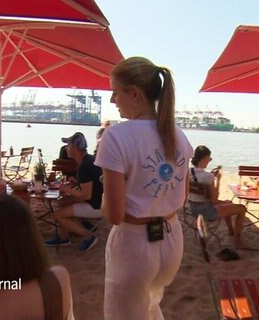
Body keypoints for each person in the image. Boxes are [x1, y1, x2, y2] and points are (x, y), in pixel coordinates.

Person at [95, 57, 193, 320]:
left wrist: (107, 197)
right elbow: (182, 197)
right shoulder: (178, 135)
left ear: (134, 94)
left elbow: (114, 214)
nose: (113, 100)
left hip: (134, 243)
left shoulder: (116, 136)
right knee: (151, 306)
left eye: (115, 91)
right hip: (171, 240)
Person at [45, 132, 103, 251]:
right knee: (62, 203)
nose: (66, 148)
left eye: (68, 145)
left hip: (96, 206)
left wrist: (67, 189)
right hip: (100, 201)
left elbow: (86, 195)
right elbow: (92, 185)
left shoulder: (84, 166)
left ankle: (89, 236)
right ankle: (63, 236)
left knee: (57, 215)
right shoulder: (88, 160)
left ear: (75, 148)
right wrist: (76, 182)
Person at [189, 145, 246, 248]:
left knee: (228, 202)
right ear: (205, 158)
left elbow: (200, 179)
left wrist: (211, 177)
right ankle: (237, 240)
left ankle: (231, 231)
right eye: (209, 159)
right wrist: (218, 180)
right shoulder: (208, 177)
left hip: (194, 210)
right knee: (242, 208)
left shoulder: (189, 172)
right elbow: (214, 200)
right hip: (208, 213)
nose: (209, 161)